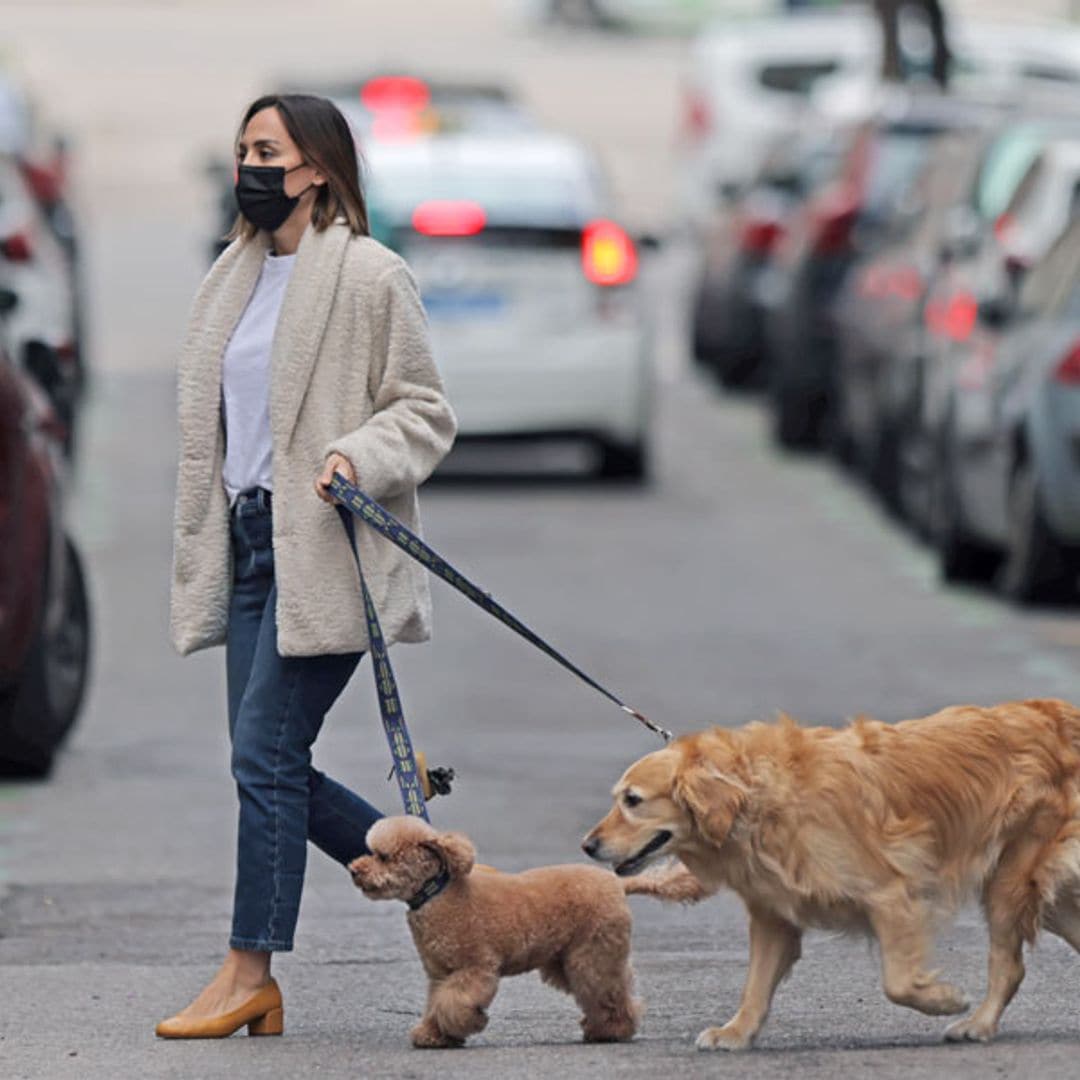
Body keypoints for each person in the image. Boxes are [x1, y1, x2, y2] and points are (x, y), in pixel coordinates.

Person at [157, 93, 457, 1039]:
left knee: (264, 755)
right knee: (267, 761)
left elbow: (424, 410)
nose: (250, 165)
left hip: (325, 551)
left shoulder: (371, 277)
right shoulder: (231, 278)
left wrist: (353, 455)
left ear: (316, 169)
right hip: (250, 545)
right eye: (242, 147)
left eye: (268, 151)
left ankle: (250, 967)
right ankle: (434, 878)